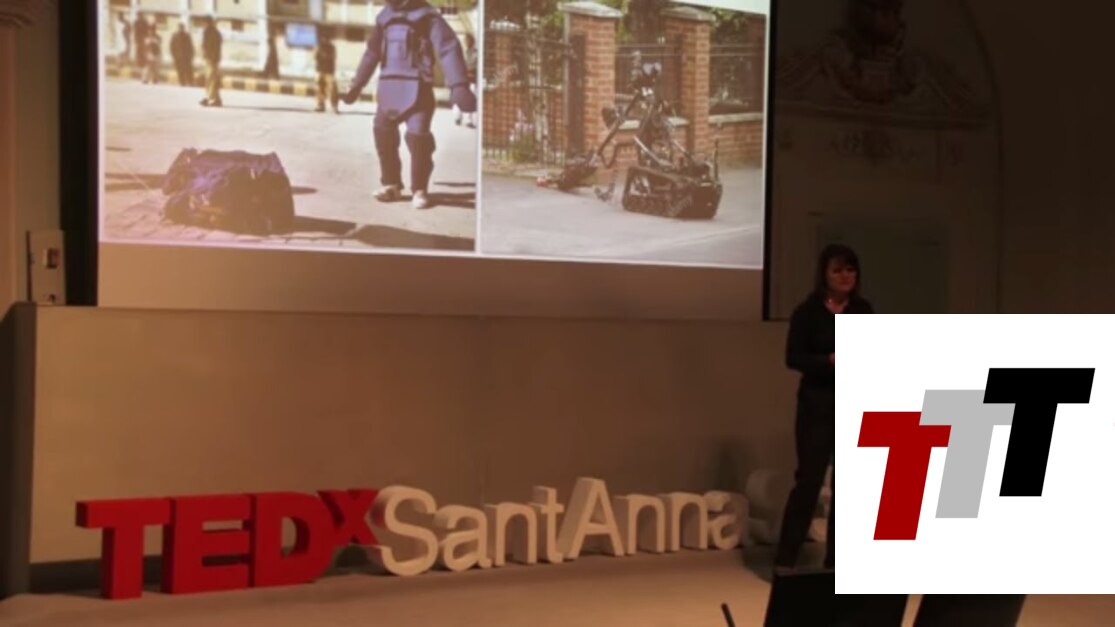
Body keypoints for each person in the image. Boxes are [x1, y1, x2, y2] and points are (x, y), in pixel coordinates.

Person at [774, 244, 874, 572]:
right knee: (809, 482)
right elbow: (793, 357)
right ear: (825, 275)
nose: (845, 276)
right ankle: (785, 562)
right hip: (816, 408)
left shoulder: (863, 311)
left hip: (853, 406)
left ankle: (836, 564)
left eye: (850, 270)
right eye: (837, 270)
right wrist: (828, 360)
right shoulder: (808, 312)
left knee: (848, 488)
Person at [341, 0, 477, 210]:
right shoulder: (384, 18)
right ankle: (391, 184)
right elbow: (372, 53)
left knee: (418, 138)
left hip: (419, 89)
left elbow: (447, 47)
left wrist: (459, 84)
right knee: (383, 133)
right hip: (388, 86)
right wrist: (357, 84)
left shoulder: (427, 16)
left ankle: (419, 189)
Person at [455, 33, 477, 128]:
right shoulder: (462, 52)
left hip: (471, 79)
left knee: (470, 99)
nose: (467, 42)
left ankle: (469, 120)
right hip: (462, 79)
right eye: (466, 40)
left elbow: (474, 65)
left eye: (469, 40)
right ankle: (458, 117)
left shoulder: (476, 53)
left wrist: (467, 68)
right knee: (459, 98)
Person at [314, 28, 339, 113]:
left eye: (326, 38)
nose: (324, 40)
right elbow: (315, 57)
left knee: (332, 88)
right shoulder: (318, 47)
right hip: (320, 70)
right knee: (320, 88)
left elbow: (333, 59)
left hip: (329, 71)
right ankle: (320, 105)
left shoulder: (331, 48)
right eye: (323, 38)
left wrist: (333, 71)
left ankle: (334, 106)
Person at [200, 17, 223, 107]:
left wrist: (213, 58)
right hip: (208, 59)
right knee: (211, 79)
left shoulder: (214, 33)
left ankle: (208, 98)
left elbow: (216, 47)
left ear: (209, 23)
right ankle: (217, 99)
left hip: (213, 59)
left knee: (211, 79)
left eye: (205, 23)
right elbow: (204, 45)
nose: (203, 25)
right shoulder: (206, 32)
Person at [170, 23, 195, 87]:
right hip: (178, 56)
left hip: (186, 56)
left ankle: (190, 82)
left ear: (183, 28)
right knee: (180, 70)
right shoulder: (175, 36)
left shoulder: (187, 36)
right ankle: (182, 82)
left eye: (182, 28)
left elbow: (190, 46)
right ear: (178, 28)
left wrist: (191, 55)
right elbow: (172, 46)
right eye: (180, 28)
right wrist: (174, 56)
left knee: (188, 70)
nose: (181, 29)